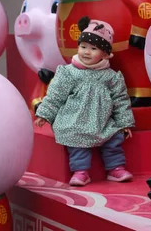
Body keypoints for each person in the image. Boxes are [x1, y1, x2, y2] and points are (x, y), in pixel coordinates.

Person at [35, 16, 135, 186]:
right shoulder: (69, 72)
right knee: (75, 140)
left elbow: (120, 100)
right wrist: (45, 114)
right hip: (74, 118)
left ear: (105, 53)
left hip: (102, 120)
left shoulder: (111, 77)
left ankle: (116, 168)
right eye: (83, 47)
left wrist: (124, 122)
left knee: (114, 138)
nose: (86, 52)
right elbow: (55, 94)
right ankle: (81, 172)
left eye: (93, 48)